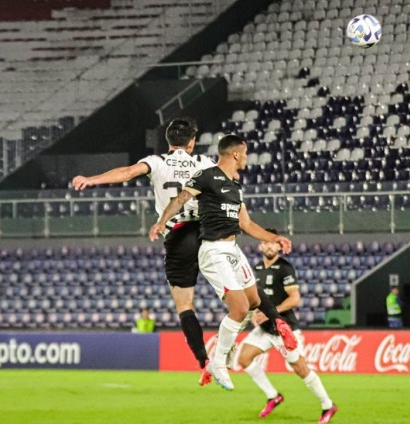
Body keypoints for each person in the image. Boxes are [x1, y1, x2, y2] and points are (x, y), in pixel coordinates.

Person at [149, 134, 297, 391]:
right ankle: (218, 363)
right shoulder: (207, 176)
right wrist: (162, 222)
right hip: (213, 250)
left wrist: (274, 238)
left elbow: (246, 224)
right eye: (245, 153)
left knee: (253, 300)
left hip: (232, 249)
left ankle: (229, 345)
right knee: (239, 307)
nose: (247, 158)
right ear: (236, 154)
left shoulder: (235, 187)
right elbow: (180, 199)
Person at [72, 117, 214, 383]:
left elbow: (126, 173)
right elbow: (225, 182)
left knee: (185, 305)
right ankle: (270, 318)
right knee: (235, 289)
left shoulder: (156, 161)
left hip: (178, 234)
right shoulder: (204, 162)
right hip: (208, 230)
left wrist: (90, 180)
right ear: (192, 143)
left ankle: (203, 361)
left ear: (168, 142)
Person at [237, 229, 338, 423]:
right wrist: (254, 314)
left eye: (273, 243)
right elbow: (255, 298)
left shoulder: (285, 268)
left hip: (284, 329)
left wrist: (270, 312)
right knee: (244, 358)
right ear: (260, 246)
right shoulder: (256, 268)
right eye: (266, 242)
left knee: (300, 368)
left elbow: (295, 298)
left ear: (278, 246)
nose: (269, 246)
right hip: (265, 328)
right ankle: (273, 396)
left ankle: (328, 405)